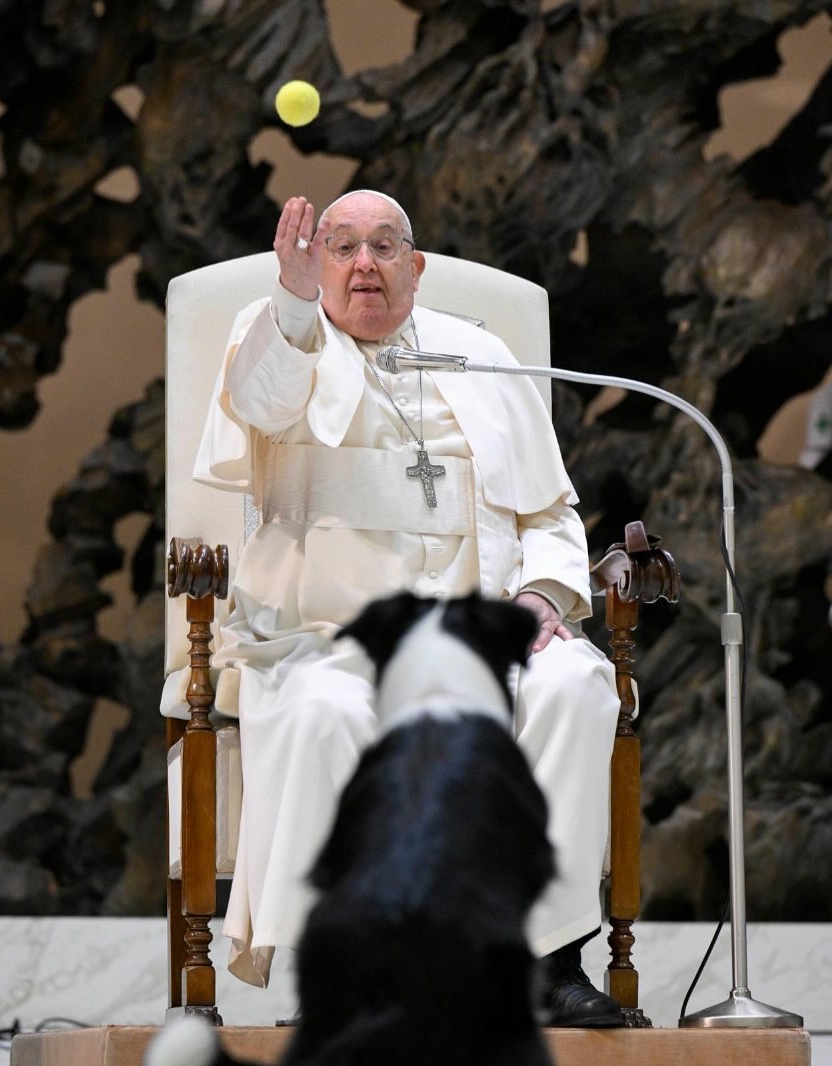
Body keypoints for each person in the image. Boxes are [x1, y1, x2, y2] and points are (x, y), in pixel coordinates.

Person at [192, 189, 624, 1027]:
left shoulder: (482, 356)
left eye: (384, 246)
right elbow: (264, 401)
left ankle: (546, 960)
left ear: (414, 268)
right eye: (341, 246)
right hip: (330, 638)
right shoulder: (282, 335)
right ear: (316, 264)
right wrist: (287, 297)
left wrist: (540, 595)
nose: (363, 264)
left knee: (575, 684)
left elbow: (549, 513)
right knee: (322, 712)